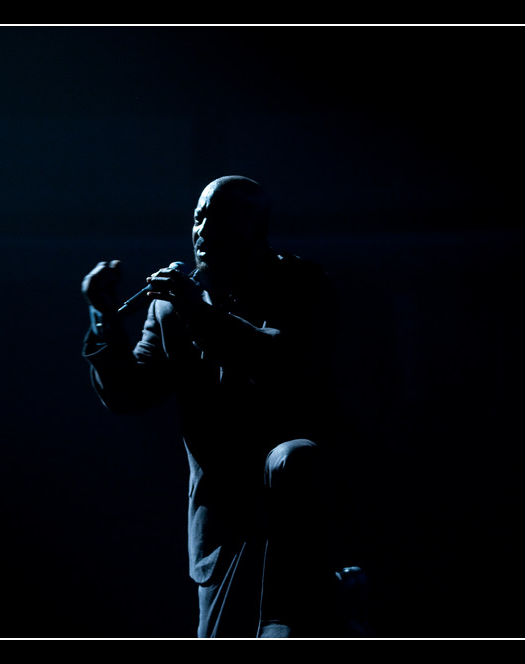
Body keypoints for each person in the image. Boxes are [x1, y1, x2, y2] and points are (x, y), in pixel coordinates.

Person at [81, 176, 340, 638]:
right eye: (198, 217)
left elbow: (277, 363)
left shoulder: (299, 283)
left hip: (293, 515)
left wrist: (197, 312)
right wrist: (104, 316)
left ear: (253, 226)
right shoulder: (171, 308)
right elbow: (129, 393)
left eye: (218, 217)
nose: (202, 229)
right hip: (221, 529)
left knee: (294, 458)